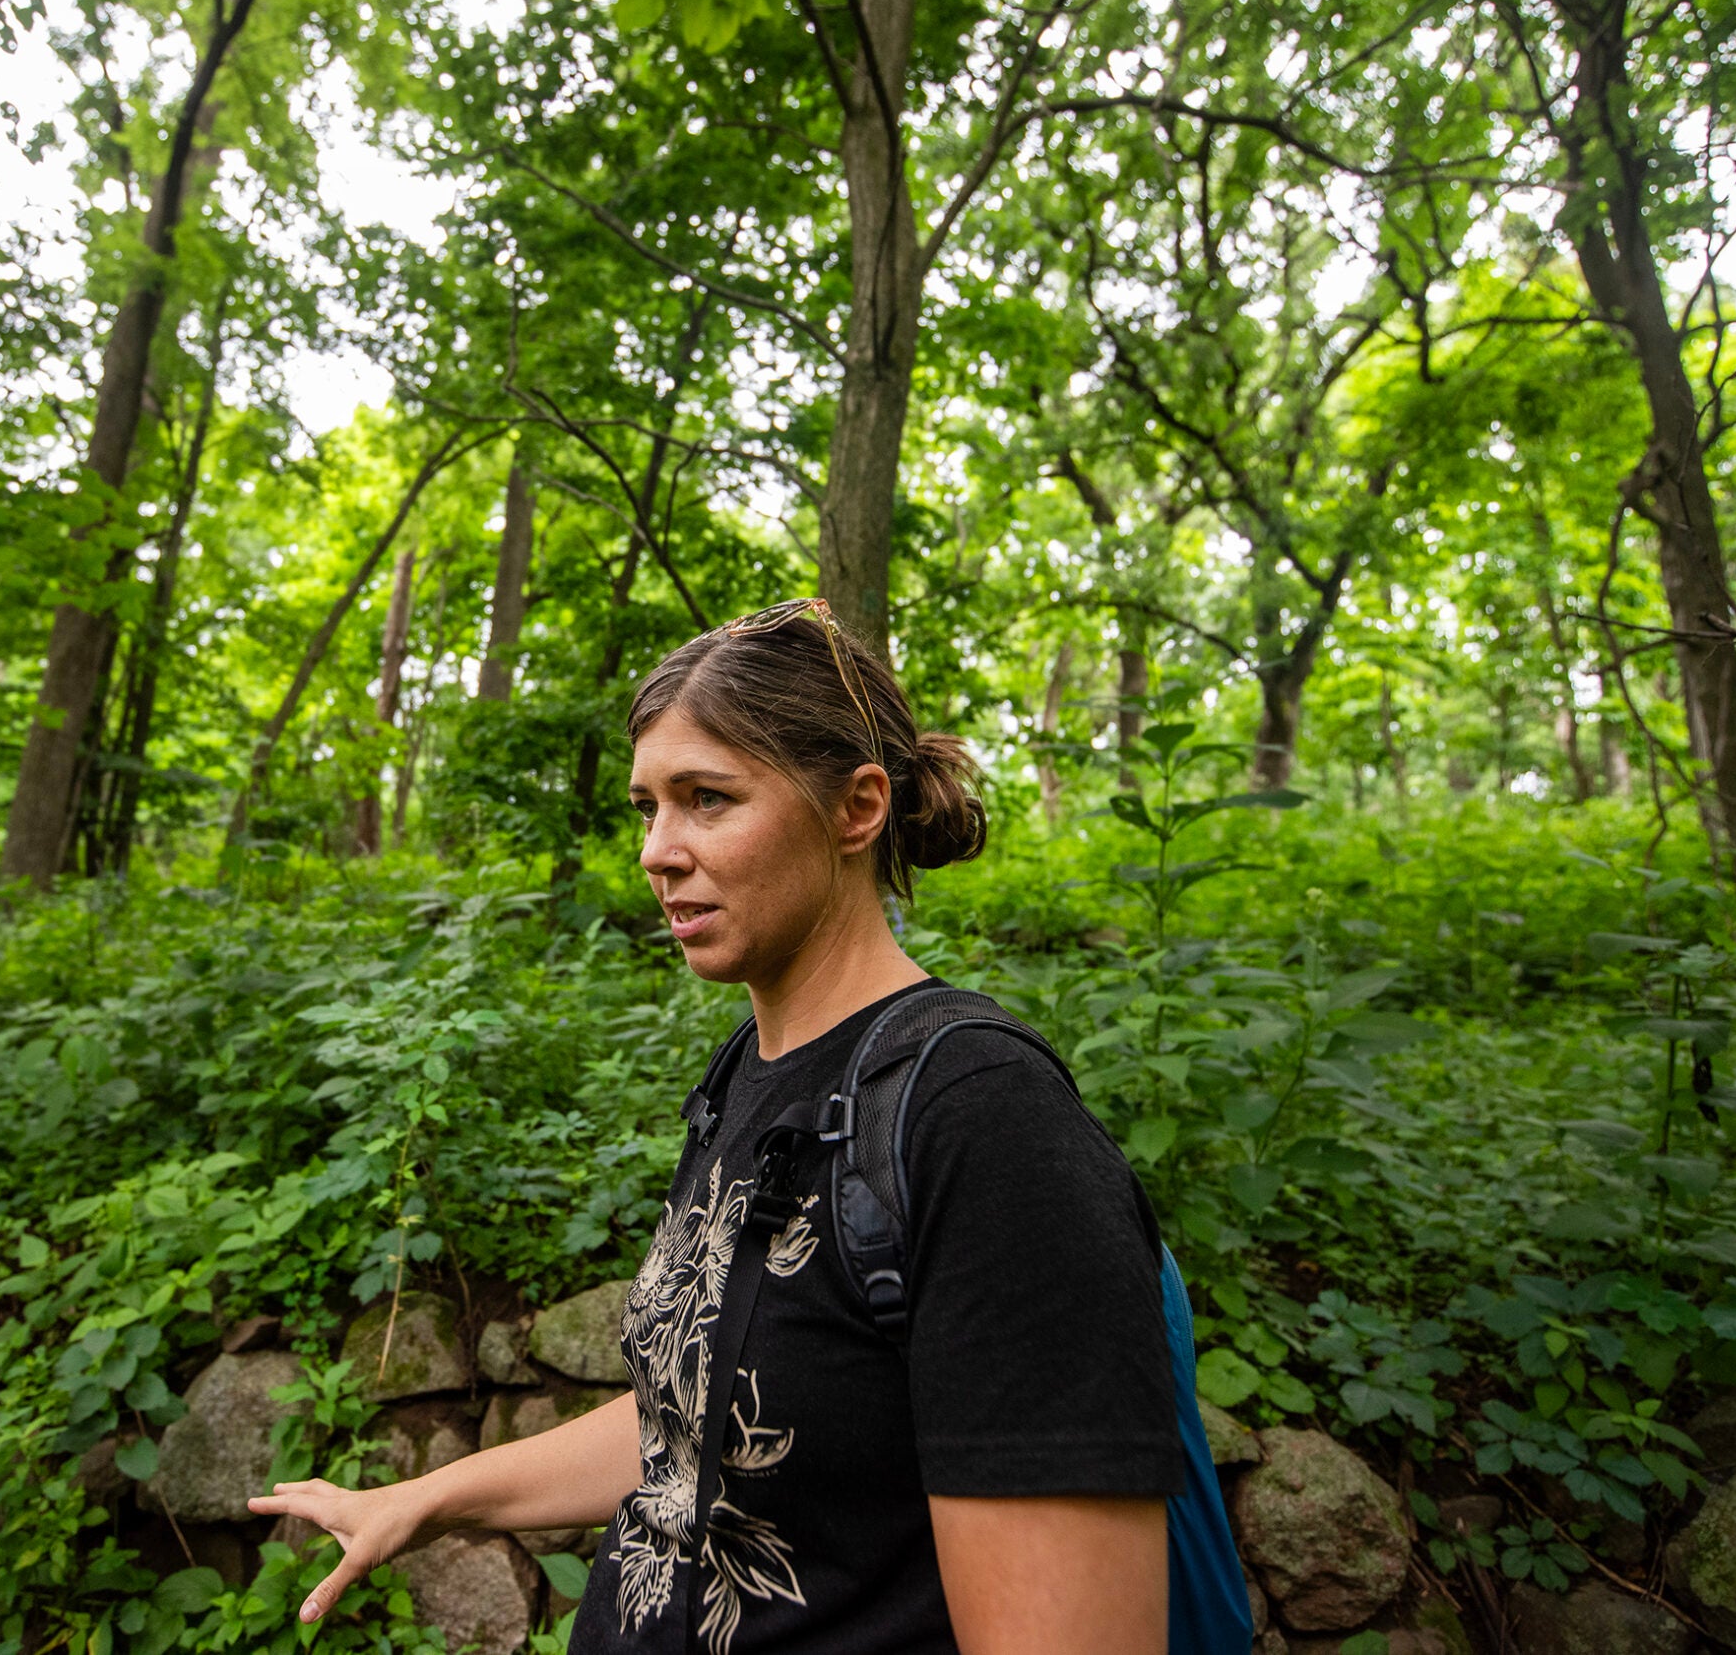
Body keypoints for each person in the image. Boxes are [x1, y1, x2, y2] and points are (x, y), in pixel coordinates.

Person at [252, 599, 1181, 1653]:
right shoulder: (748, 1073)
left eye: (707, 799)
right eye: (646, 805)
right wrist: (426, 1498)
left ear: (857, 808)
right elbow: (704, 1410)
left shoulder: (983, 1120)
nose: (658, 850)